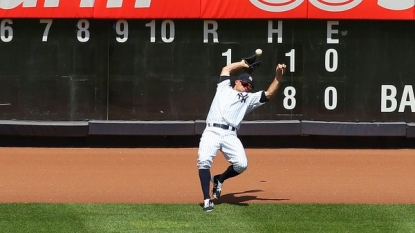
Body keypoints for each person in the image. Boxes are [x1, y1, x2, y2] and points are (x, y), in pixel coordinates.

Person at [197, 55, 287, 212]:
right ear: (237, 82)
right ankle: (206, 199)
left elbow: (269, 94)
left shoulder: (249, 98)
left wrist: (278, 76)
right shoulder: (223, 87)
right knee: (204, 162)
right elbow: (226, 69)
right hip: (212, 130)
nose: (247, 87)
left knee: (241, 165)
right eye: (245, 84)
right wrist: (242, 64)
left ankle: (220, 179)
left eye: (250, 86)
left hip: (230, 134)